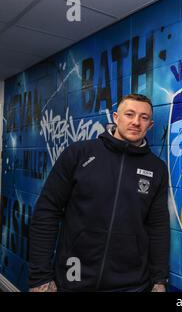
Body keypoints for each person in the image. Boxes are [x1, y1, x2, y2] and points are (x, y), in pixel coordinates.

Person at [28, 93, 170, 292]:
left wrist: (159, 280)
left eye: (144, 117)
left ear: (151, 125)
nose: (136, 122)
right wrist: (40, 277)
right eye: (129, 114)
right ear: (115, 117)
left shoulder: (157, 168)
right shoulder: (79, 154)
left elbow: (158, 226)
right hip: (73, 278)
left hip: (131, 285)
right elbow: (46, 212)